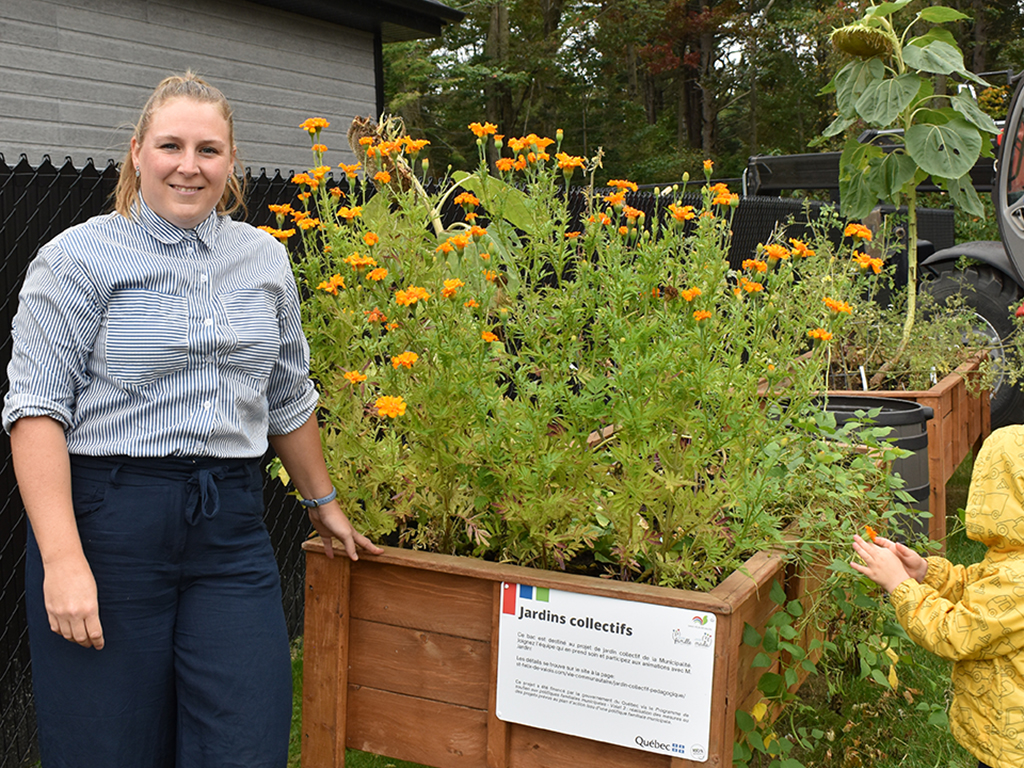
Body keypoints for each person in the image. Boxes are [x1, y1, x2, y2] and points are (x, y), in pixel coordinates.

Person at [2, 72, 382, 768]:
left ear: (231, 162)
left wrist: (321, 502)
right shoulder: (76, 259)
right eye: (171, 145)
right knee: (106, 747)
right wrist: (63, 561)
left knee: (245, 740)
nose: (189, 165)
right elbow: (35, 412)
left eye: (208, 149)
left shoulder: (263, 258)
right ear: (137, 152)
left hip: (229, 533)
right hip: (107, 523)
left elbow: (287, 393)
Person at [851, 424, 1024, 768]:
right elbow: (978, 587)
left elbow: (954, 633)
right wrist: (925, 572)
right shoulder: (1013, 562)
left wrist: (899, 584)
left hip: (1011, 744)